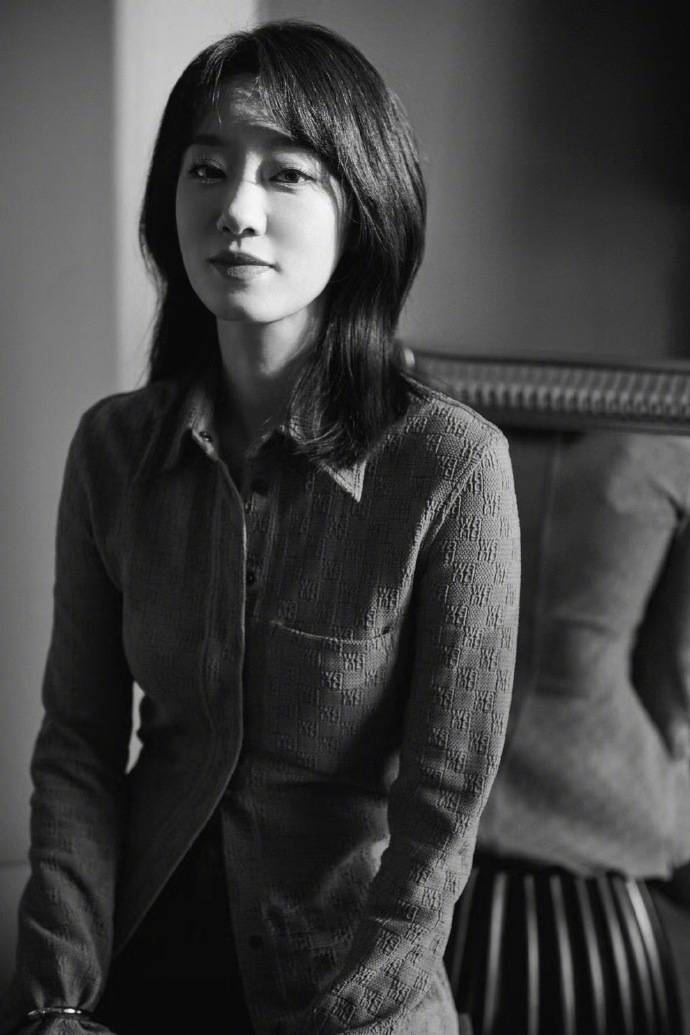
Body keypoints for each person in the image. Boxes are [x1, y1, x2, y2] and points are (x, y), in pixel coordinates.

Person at [0, 20, 521, 1035]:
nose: (236, 211)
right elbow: (77, 747)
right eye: (207, 169)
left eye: (287, 175)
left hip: (353, 986)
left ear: (363, 205)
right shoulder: (113, 448)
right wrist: (57, 997)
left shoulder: (450, 468)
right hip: (136, 963)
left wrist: (352, 1015)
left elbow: (443, 814)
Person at [444, 428, 690, 1034]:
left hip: (443, 803)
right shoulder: (665, 441)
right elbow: (676, 675)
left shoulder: (445, 417)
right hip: (603, 841)